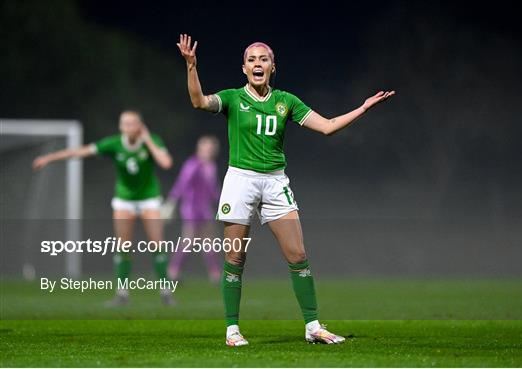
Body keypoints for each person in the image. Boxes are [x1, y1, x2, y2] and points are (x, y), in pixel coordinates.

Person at [177, 34, 395, 346]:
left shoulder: (286, 102)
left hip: (276, 182)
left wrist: (363, 108)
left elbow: (328, 126)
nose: (257, 63)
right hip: (240, 179)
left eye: (263, 59)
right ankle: (232, 330)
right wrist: (191, 66)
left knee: (298, 254)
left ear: (272, 67)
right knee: (235, 258)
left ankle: (313, 327)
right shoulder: (233, 99)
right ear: (243, 68)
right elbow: (198, 101)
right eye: (251, 59)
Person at [33, 110, 176, 306]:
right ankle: (122, 294)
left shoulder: (153, 141)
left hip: (149, 198)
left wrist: (148, 139)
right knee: (123, 246)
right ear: (120, 126)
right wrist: (49, 158)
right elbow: (79, 152)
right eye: (124, 123)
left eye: (132, 123)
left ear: (140, 126)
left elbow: (166, 163)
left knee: (157, 245)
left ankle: (166, 292)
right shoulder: (114, 143)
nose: (128, 127)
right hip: (124, 199)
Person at [163, 135, 221, 283]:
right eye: (206, 147)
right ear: (199, 148)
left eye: (211, 148)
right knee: (188, 240)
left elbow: (213, 190)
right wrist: (171, 201)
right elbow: (182, 183)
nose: (209, 150)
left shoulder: (211, 166)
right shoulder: (193, 164)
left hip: (205, 208)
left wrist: (223, 204)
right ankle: (173, 271)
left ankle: (214, 273)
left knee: (208, 241)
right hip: (191, 208)